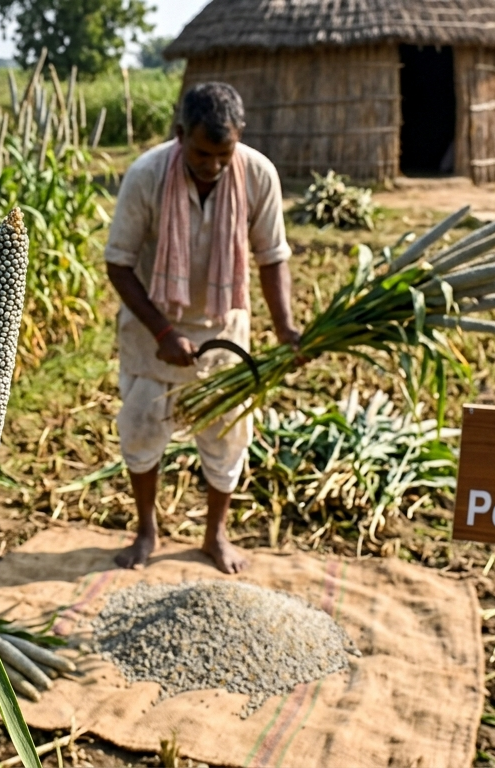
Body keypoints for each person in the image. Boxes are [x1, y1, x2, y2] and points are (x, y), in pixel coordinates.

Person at [104, 82, 299, 574]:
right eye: (201, 152)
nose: (213, 164)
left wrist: (287, 328)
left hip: (223, 331)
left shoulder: (257, 174)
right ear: (179, 135)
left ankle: (215, 535)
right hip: (153, 332)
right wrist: (164, 333)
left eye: (223, 153)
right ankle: (146, 530)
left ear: (238, 140)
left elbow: (272, 256)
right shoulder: (146, 175)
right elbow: (119, 264)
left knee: (227, 437)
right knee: (143, 430)